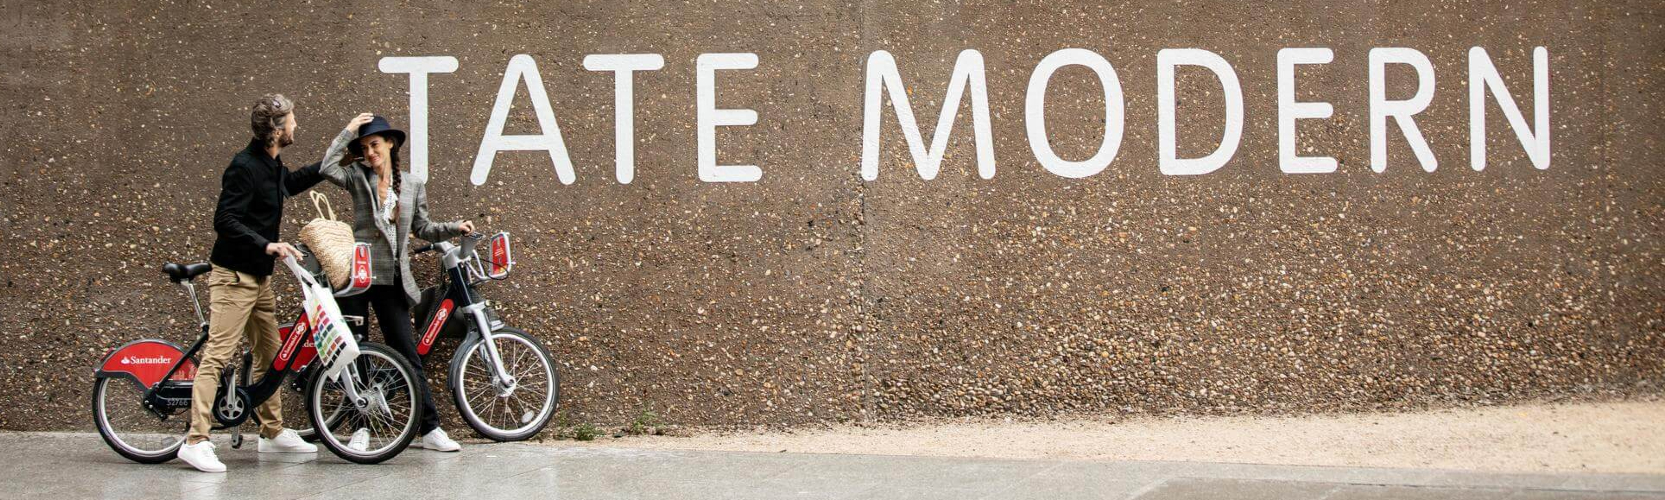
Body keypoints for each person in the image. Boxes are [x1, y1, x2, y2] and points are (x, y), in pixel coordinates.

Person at [178, 94, 326, 473]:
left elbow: (289, 184)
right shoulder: (243, 166)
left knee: (270, 356)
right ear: (276, 130)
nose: (296, 126)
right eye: (292, 121)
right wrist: (267, 243)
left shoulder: (271, 165)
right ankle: (196, 440)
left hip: (259, 280)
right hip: (234, 278)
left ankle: (271, 433)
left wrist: (331, 162)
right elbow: (224, 220)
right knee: (218, 354)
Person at [317, 113, 473, 452]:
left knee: (406, 353)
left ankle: (430, 428)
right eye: (364, 147)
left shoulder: (413, 184)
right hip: (357, 277)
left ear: (390, 143)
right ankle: (361, 427)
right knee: (355, 354)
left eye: (375, 145)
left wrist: (453, 227)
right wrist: (348, 130)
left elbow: (423, 228)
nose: (370, 152)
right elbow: (327, 167)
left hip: (393, 280)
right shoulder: (357, 176)